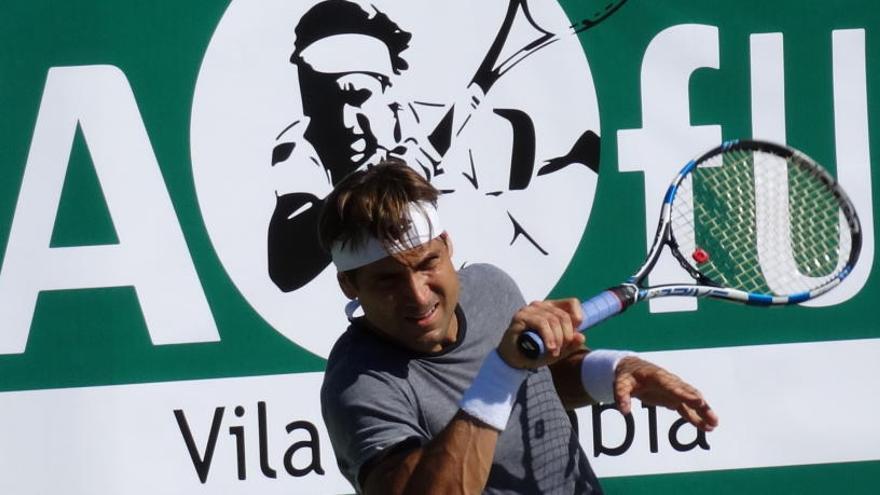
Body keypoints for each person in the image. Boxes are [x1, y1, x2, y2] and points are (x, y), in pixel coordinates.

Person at [318, 160, 718, 494]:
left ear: (447, 244)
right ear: (349, 284)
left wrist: (611, 371)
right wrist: (502, 370)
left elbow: (538, 382)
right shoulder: (357, 386)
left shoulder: (491, 286)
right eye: (388, 280)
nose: (419, 296)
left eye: (428, 264)